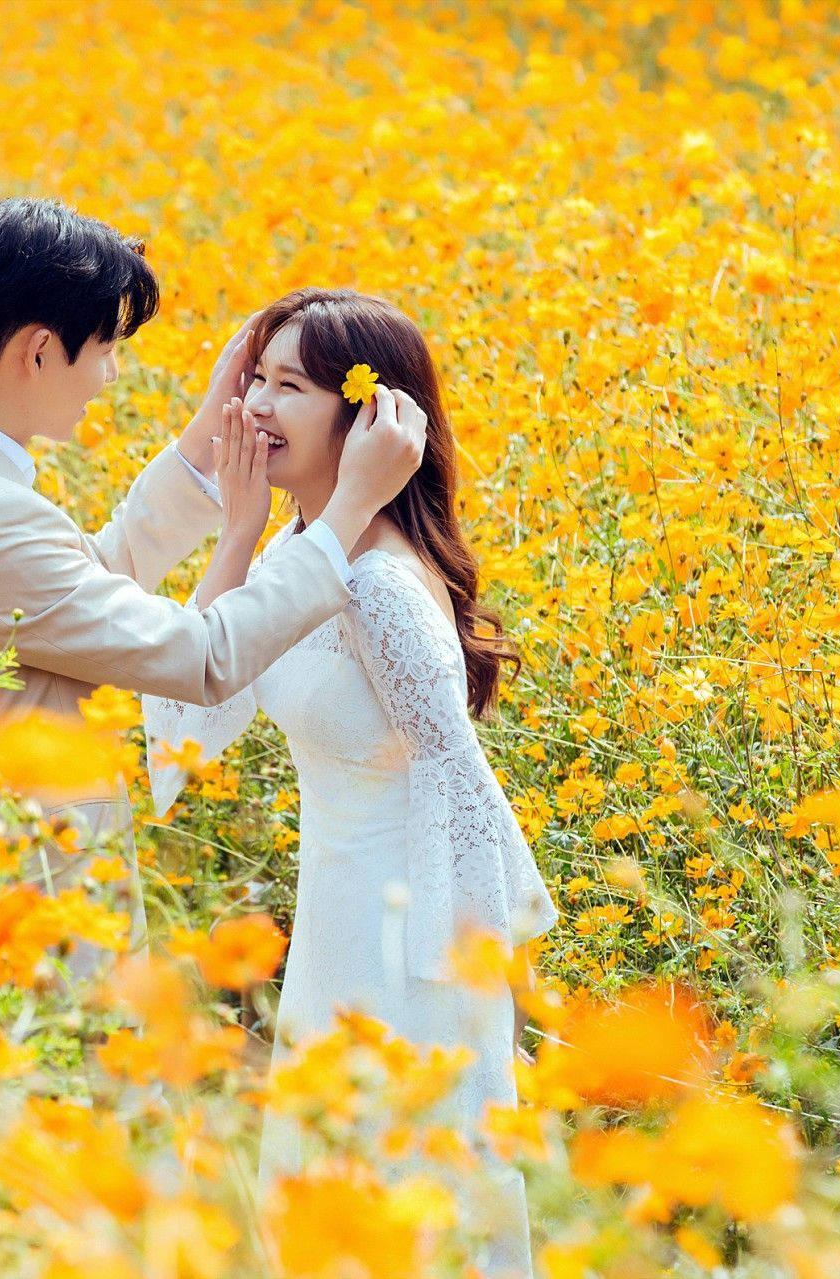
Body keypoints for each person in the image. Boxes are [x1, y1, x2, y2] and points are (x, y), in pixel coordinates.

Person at [0, 199, 427, 977]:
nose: (112, 375)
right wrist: (349, 507)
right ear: (41, 351)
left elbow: (78, 588)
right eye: (106, 349)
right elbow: (204, 655)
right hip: (31, 901)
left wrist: (203, 439)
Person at [142, 288, 559, 1276]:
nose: (256, 408)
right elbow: (191, 722)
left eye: (289, 387)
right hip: (336, 929)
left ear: (368, 417)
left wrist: (457, 993)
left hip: (406, 952)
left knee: (404, 1210)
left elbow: (457, 785)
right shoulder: (303, 550)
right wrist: (237, 532)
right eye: (256, 381)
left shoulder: (374, 582)